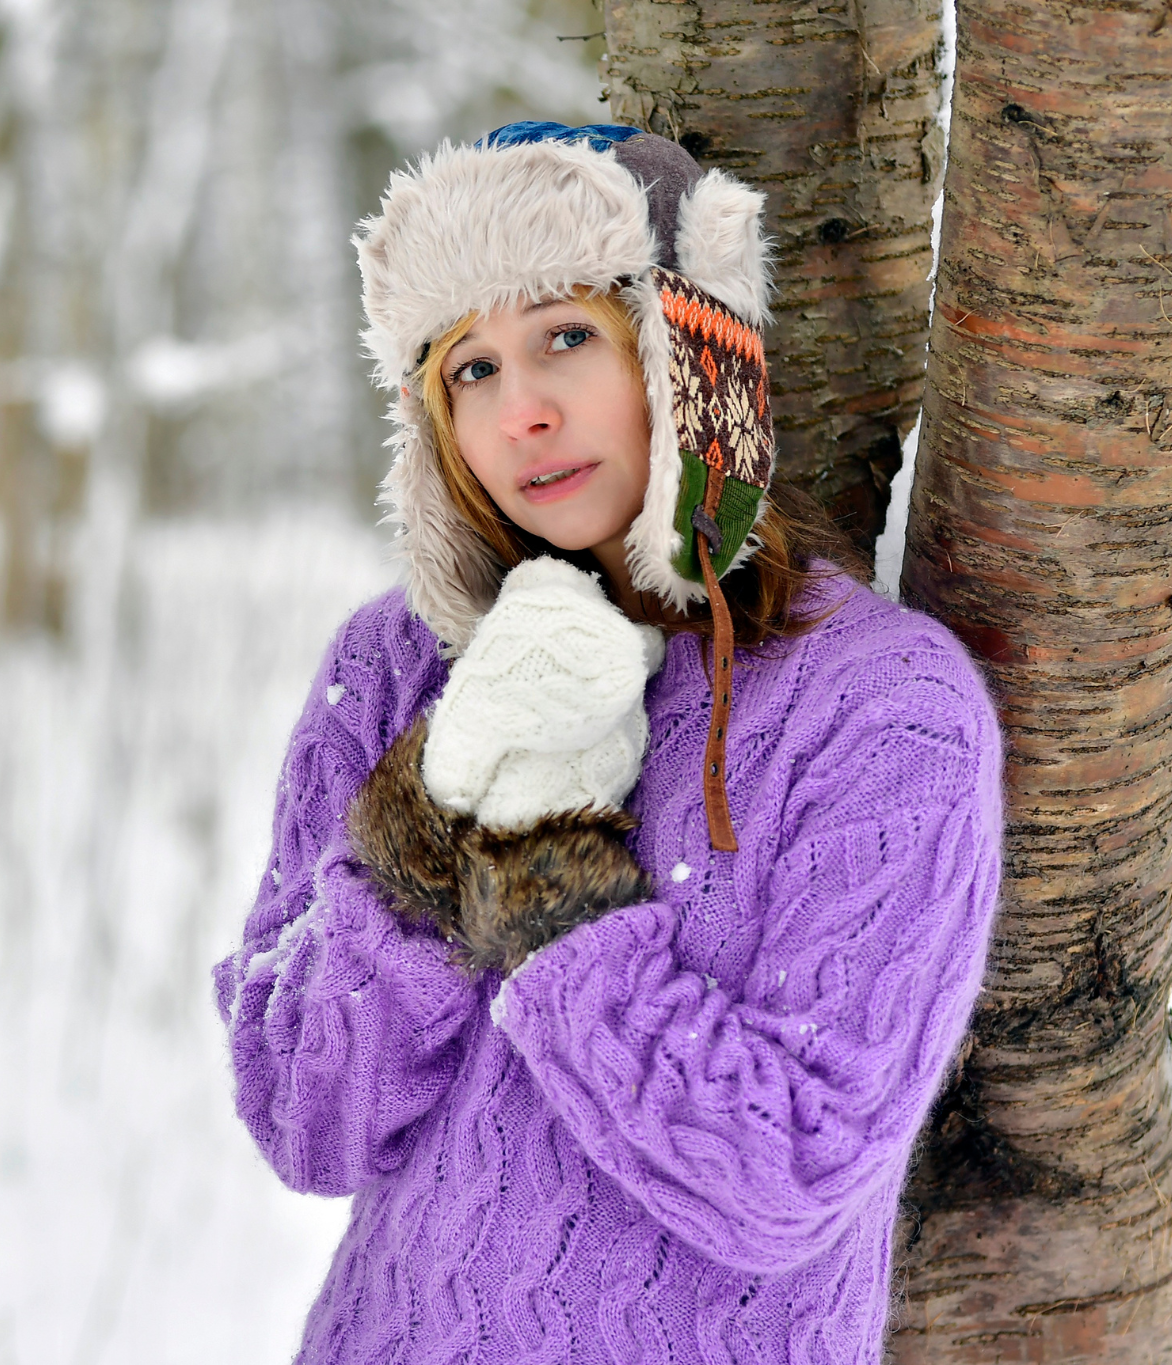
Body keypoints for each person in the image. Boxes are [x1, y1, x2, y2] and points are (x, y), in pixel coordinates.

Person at [211, 123, 1005, 1363]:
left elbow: (783, 1175)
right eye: (469, 368)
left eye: (565, 337)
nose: (519, 411)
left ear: (685, 356)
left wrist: (539, 869)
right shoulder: (398, 665)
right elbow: (302, 1118)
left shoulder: (881, 705)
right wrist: (432, 811)